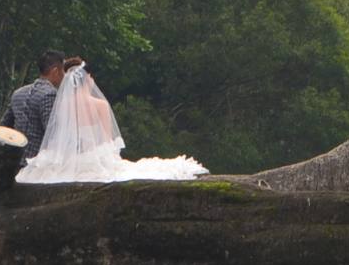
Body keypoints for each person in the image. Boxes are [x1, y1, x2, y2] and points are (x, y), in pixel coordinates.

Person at [14, 59, 207, 184]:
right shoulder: (99, 105)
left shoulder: (61, 105)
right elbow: (107, 142)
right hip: (93, 160)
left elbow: (57, 136)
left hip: (69, 160)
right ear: (88, 78)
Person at [0, 50, 71, 159]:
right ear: (56, 71)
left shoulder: (18, 93)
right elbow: (52, 133)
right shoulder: (50, 94)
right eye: (63, 72)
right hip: (36, 164)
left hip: (13, 162)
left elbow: (3, 127)